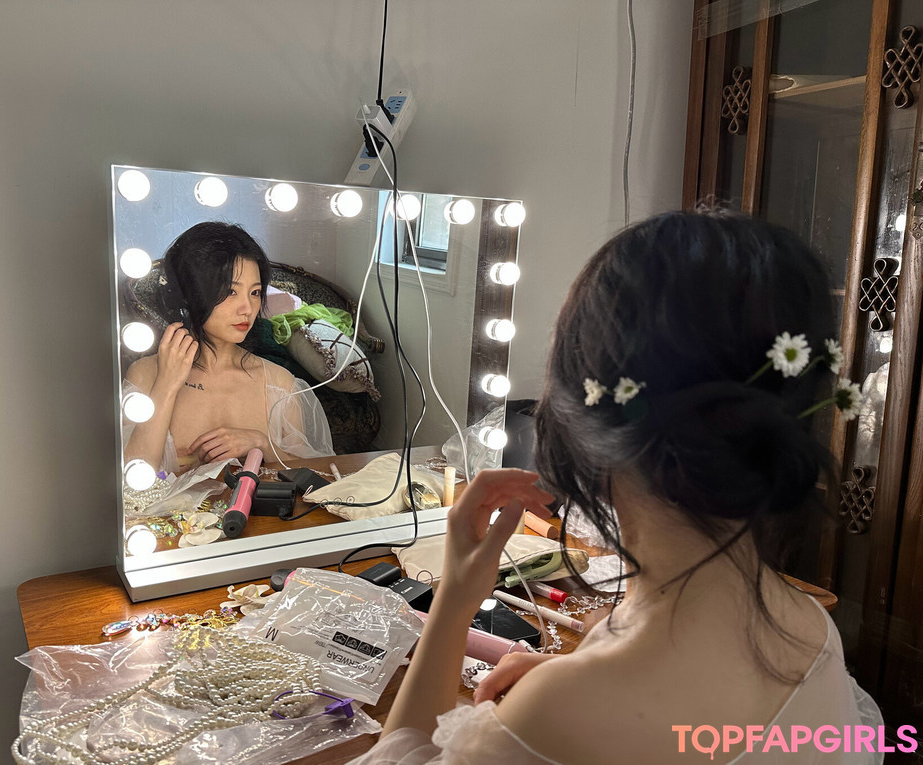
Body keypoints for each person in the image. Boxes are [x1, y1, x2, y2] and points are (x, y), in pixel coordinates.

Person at [351, 212, 884, 763]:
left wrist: (455, 602)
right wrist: (578, 674)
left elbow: (400, 754)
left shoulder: (552, 714)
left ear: (588, 426)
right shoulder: (813, 631)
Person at [123, 222, 333, 473]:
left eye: (255, 293)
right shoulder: (146, 376)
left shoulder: (279, 385)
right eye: (231, 291)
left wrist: (262, 445)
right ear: (190, 293)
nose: (248, 308)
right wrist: (166, 387)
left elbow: (312, 480)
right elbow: (131, 482)